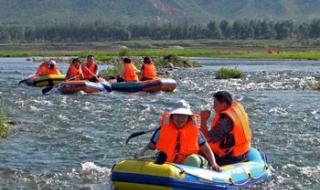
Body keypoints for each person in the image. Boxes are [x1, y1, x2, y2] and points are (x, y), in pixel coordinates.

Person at [134, 100, 220, 171]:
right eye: (177, 115)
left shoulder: (195, 131)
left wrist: (213, 163)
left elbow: (206, 149)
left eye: (183, 116)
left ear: (189, 118)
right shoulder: (162, 130)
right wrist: (141, 152)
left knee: (193, 159)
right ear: (172, 116)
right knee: (151, 156)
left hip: (187, 165)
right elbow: (151, 146)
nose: (180, 119)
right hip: (168, 164)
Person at [200, 91, 252, 166]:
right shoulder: (236, 108)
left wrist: (203, 120)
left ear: (224, 104)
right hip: (243, 151)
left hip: (231, 158)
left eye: (215, 104)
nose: (213, 107)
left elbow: (205, 138)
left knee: (198, 150)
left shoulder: (224, 122)